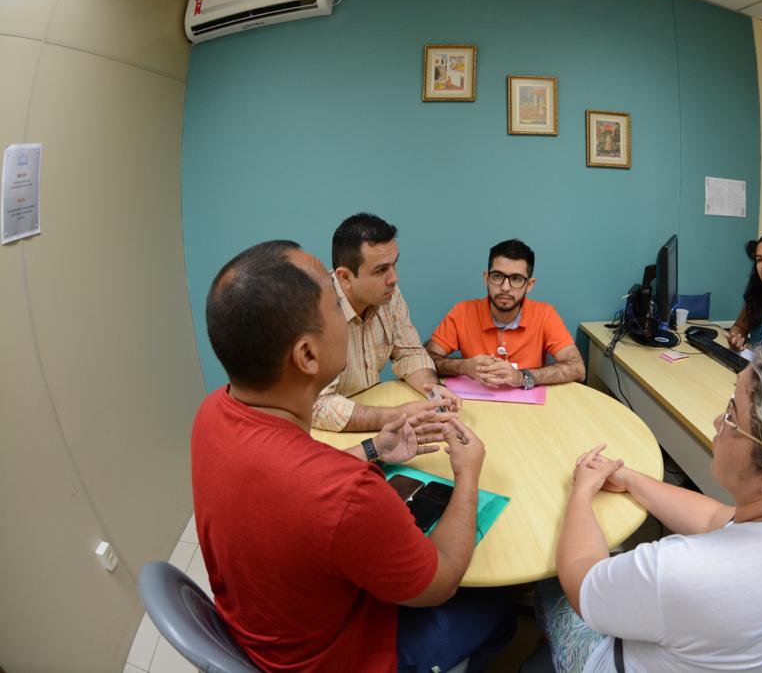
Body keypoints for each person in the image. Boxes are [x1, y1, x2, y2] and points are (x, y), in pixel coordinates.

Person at [192, 240, 514, 672]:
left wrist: (375, 449)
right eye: (334, 304)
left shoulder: (211, 413)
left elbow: (296, 488)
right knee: (499, 606)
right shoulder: (347, 495)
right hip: (340, 657)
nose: (348, 317)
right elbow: (438, 582)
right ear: (307, 355)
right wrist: (468, 475)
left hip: (268, 633)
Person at [541, 342, 762, 672]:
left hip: (608, 660)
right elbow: (715, 519)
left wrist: (582, 491)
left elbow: (581, 582)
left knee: (547, 581)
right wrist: (632, 480)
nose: (716, 423)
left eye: (731, 417)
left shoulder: (683, 571)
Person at [313, 213, 461, 431]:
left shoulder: (387, 293)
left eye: (394, 264)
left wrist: (435, 392)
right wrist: (399, 415)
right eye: (381, 270)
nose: (394, 278)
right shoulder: (313, 311)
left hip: (368, 419)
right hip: (323, 436)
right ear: (344, 277)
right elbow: (317, 406)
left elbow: (409, 352)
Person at [426, 238, 585, 389]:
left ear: (529, 285)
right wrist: (464, 366)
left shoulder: (545, 314)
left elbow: (577, 368)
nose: (505, 287)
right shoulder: (462, 312)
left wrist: (522, 377)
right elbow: (426, 358)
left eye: (516, 278)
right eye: (497, 276)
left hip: (529, 410)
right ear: (486, 278)